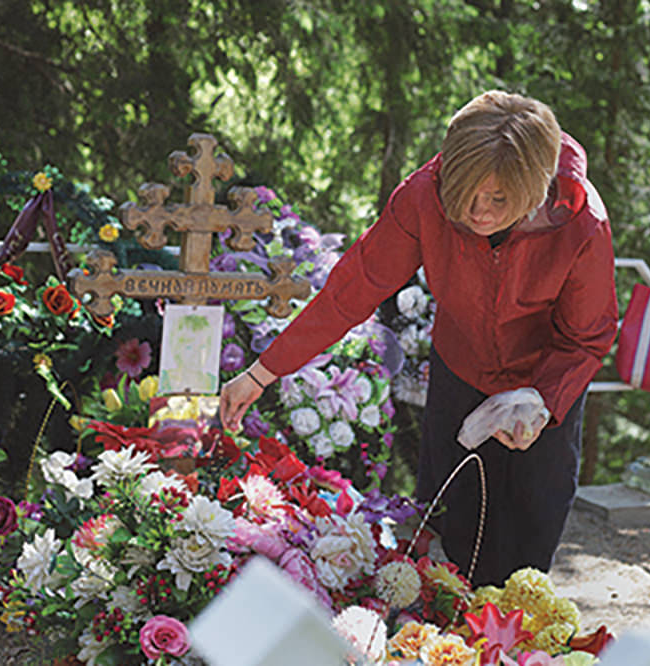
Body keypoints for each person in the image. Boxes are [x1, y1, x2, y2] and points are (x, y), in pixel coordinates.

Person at [220, 90, 618, 586]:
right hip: (460, 370)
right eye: (467, 193)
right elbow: (351, 290)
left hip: (545, 387)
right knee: (446, 534)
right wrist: (262, 372)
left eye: (498, 199)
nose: (479, 211)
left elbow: (587, 336)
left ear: (533, 189)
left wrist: (541, 401)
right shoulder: (424, 195)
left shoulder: (580, 219)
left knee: (528, 537)